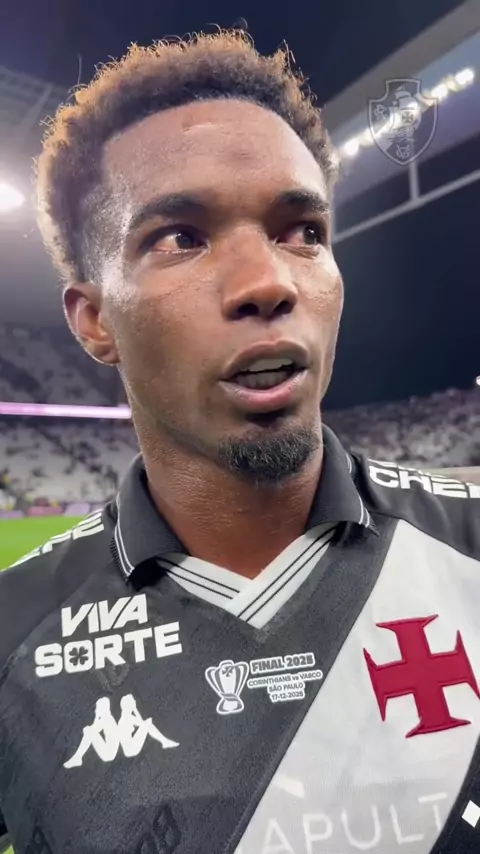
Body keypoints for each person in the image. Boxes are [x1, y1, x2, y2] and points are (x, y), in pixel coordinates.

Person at [0, 29, 479, 854]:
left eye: (303, 231)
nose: (269, 282)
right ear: (95, 321)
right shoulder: (13, 632)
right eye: (180, 237)